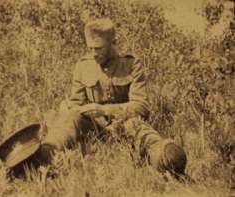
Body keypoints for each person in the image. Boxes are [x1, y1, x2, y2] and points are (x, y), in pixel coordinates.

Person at [31, 18, 188, 179]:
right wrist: (71, 109)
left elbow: (141, 107)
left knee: (144, 133)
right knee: (70, 119)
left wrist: (103, 110)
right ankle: (43, 157)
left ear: (111, 42)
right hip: (93, 129)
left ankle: (167, 162)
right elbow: (76, 104)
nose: (93, 53)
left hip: (124, 124)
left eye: (98, 48)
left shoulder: (130, 65)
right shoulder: (83, 66)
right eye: (90, 48)